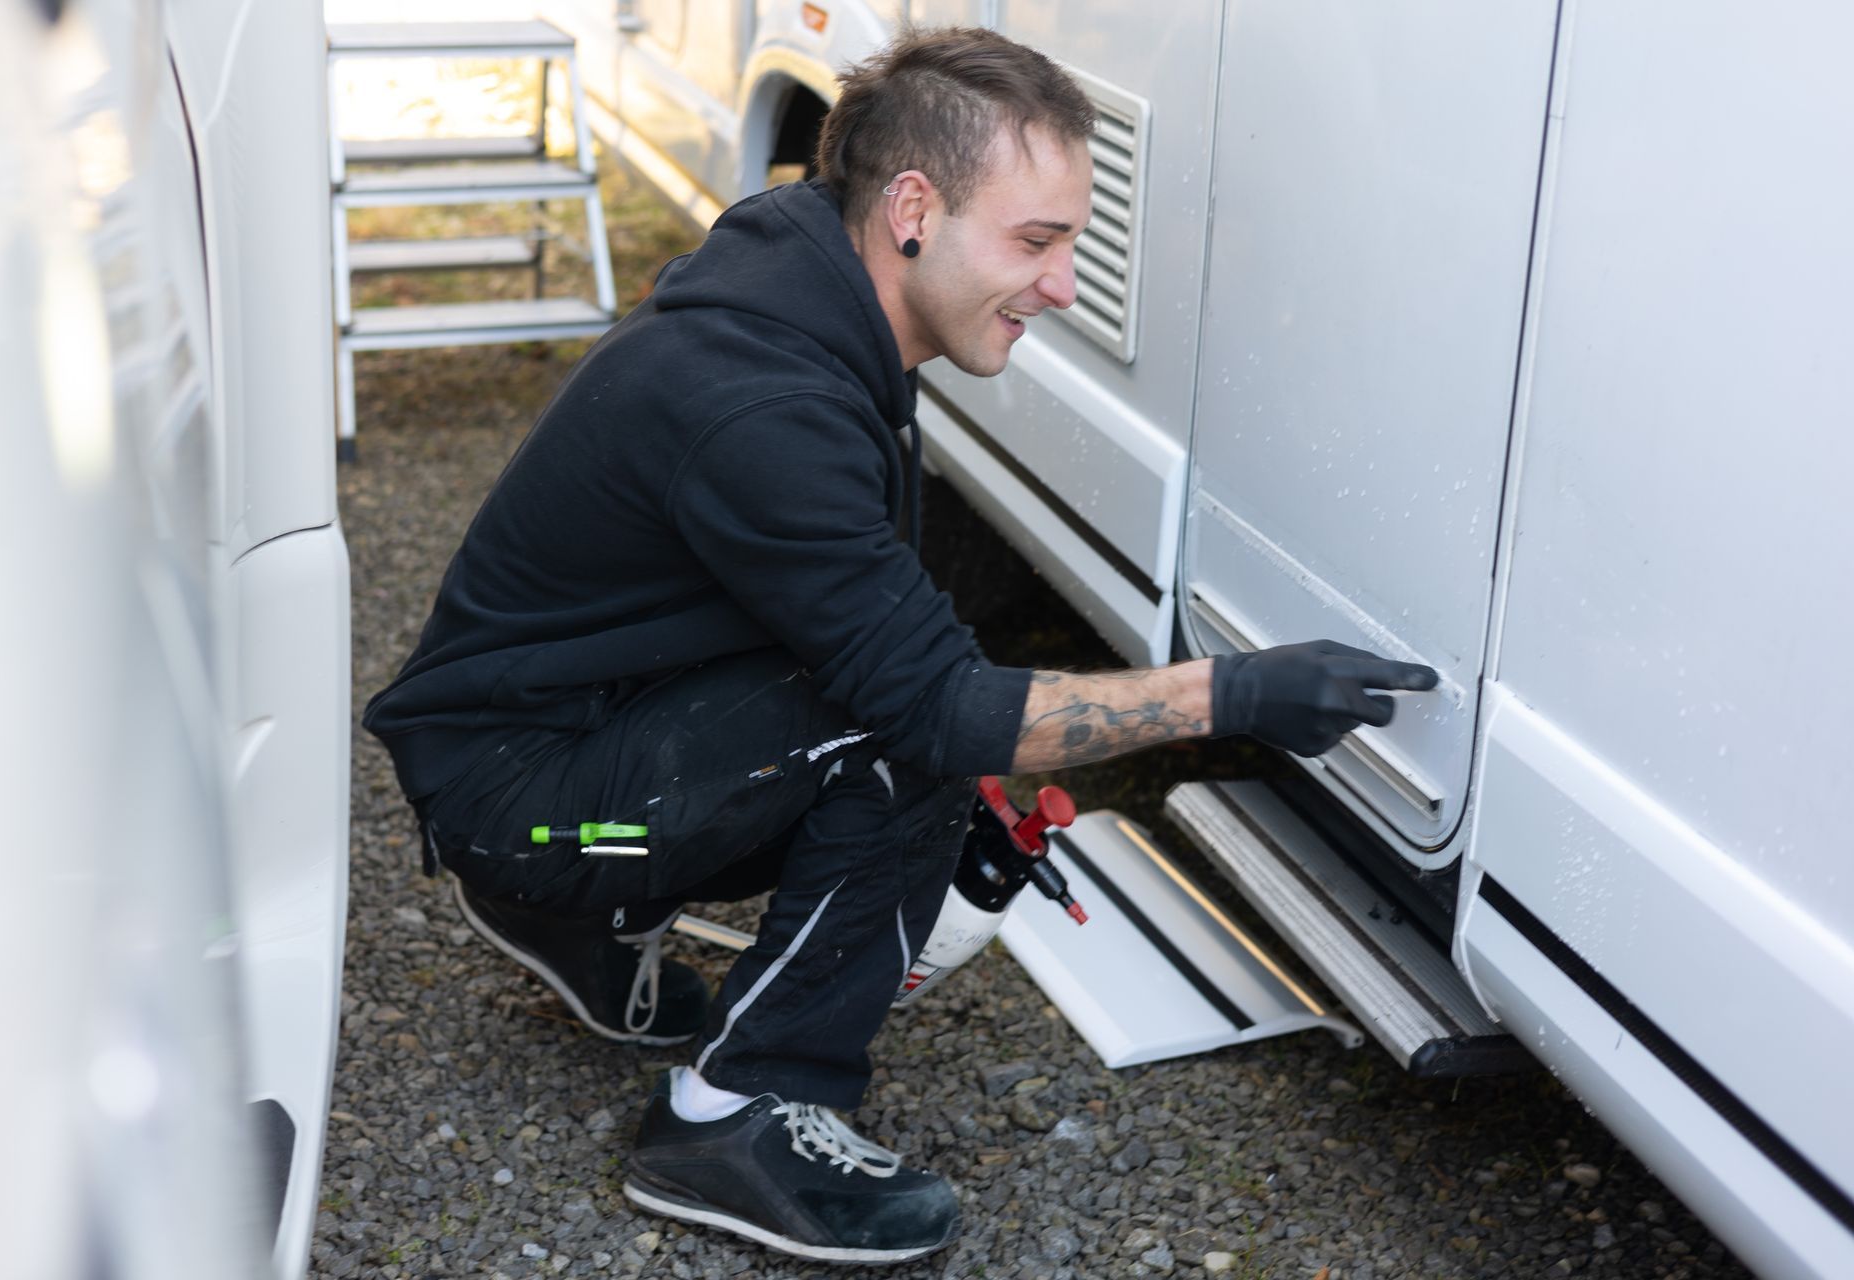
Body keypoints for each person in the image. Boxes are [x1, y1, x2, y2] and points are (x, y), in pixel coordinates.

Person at [363, 26, 1437, 1267]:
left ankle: (579, 911)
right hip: (526, 811)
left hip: (562, 754)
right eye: (1035, 241)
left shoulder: (820, 299)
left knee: (919, 711)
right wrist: (1232, 690)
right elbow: (936, 708)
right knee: (910, 743)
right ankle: (729, 1115)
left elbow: (884, 634)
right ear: (914, 210)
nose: (1062, 286)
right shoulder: (765, 401)